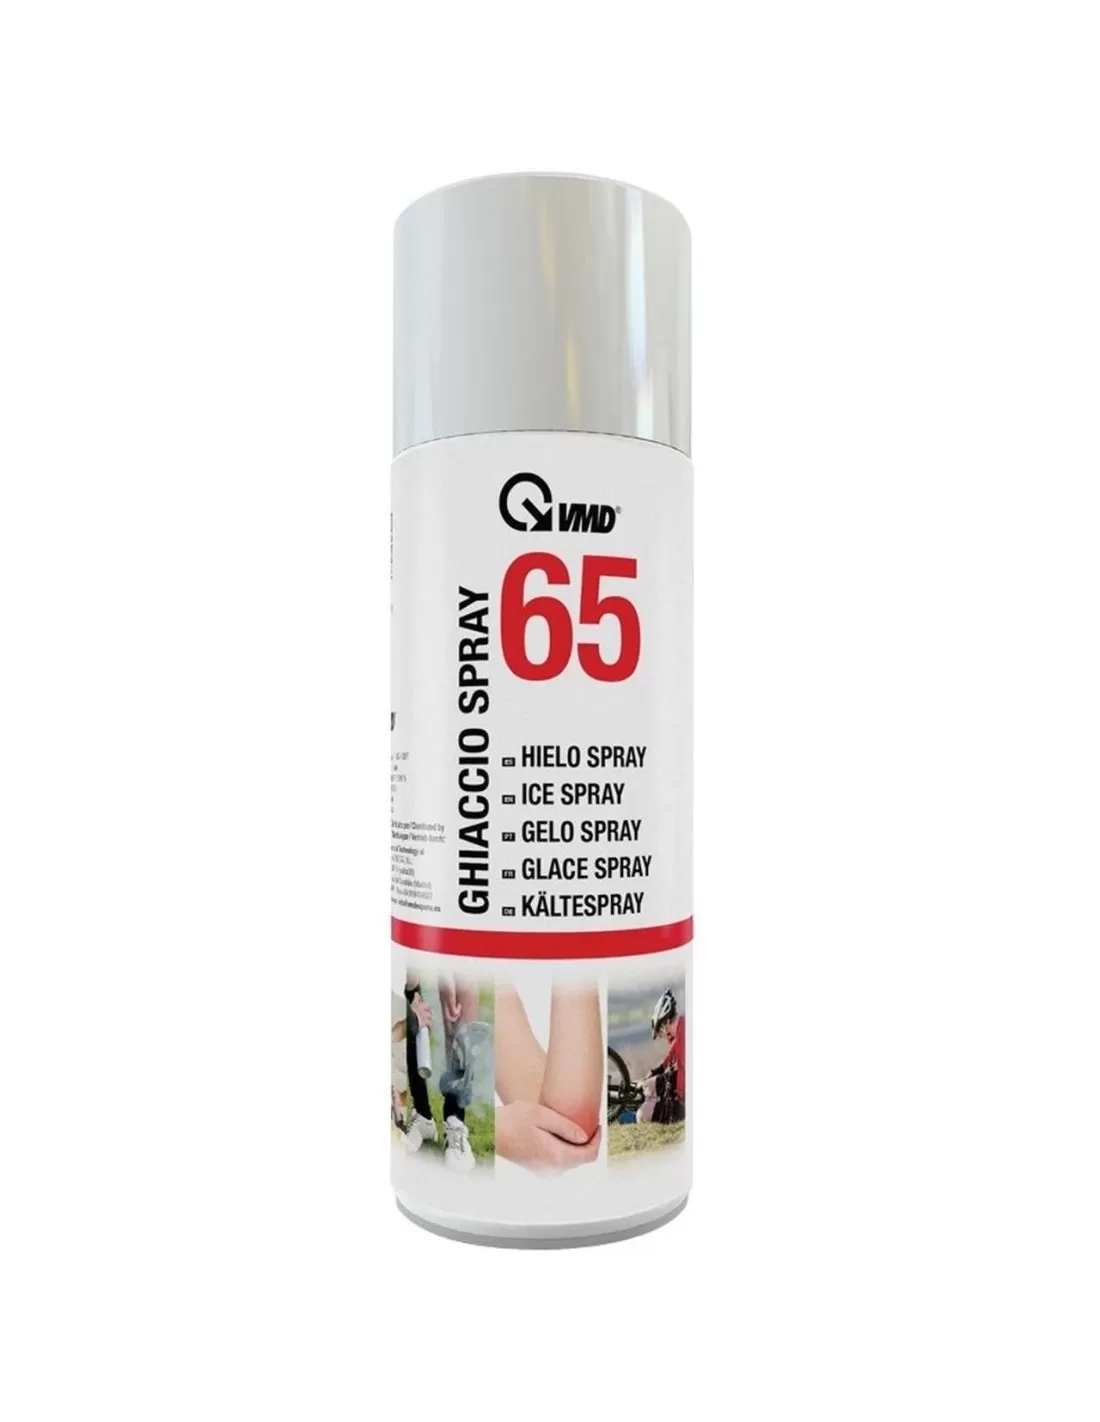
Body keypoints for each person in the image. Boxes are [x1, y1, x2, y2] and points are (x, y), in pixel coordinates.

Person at [641, 988, 686, 1124]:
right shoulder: (682, 1029)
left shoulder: (684, 1034)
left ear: (666, 1023)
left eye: (661, 1031)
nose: (663, 1036)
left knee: (642, 1114)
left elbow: (683, 1070)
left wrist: (677, 1098)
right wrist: (656, 1071)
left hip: (685, 1104)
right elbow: (671, 1058)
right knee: (649, 1087)